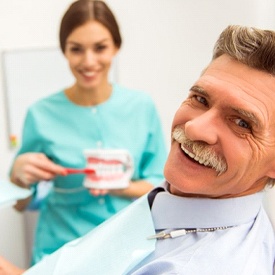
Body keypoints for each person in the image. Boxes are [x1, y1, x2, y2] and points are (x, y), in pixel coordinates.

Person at [1, 24, 275, 275]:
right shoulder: (179, 198)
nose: (194, 129)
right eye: (200, 98)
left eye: (242, 122)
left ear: (116, 48)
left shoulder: (202, 263)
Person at [9, 0, 167, 266]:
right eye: (76, 49)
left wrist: (123, 187)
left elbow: (162, 187)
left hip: (127, 251)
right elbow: (21, 204)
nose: (88, 61)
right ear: (64, 51)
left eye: (100, 47)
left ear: (116, 46)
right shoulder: (40, 114)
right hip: (59, 254)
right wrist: (18, 177)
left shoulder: (141, 107)